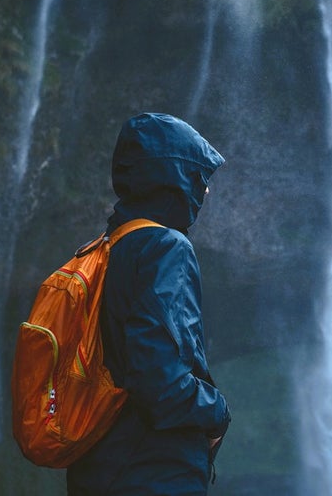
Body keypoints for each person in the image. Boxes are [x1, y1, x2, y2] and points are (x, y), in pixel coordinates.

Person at [67, 113, 231, 496]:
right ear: (173, 180)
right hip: (152, 471)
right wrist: (217, 413)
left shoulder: (104, 249)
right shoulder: (165, 248)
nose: (205, 192)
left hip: (98, 467)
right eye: (198, 178)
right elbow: (159, 380)